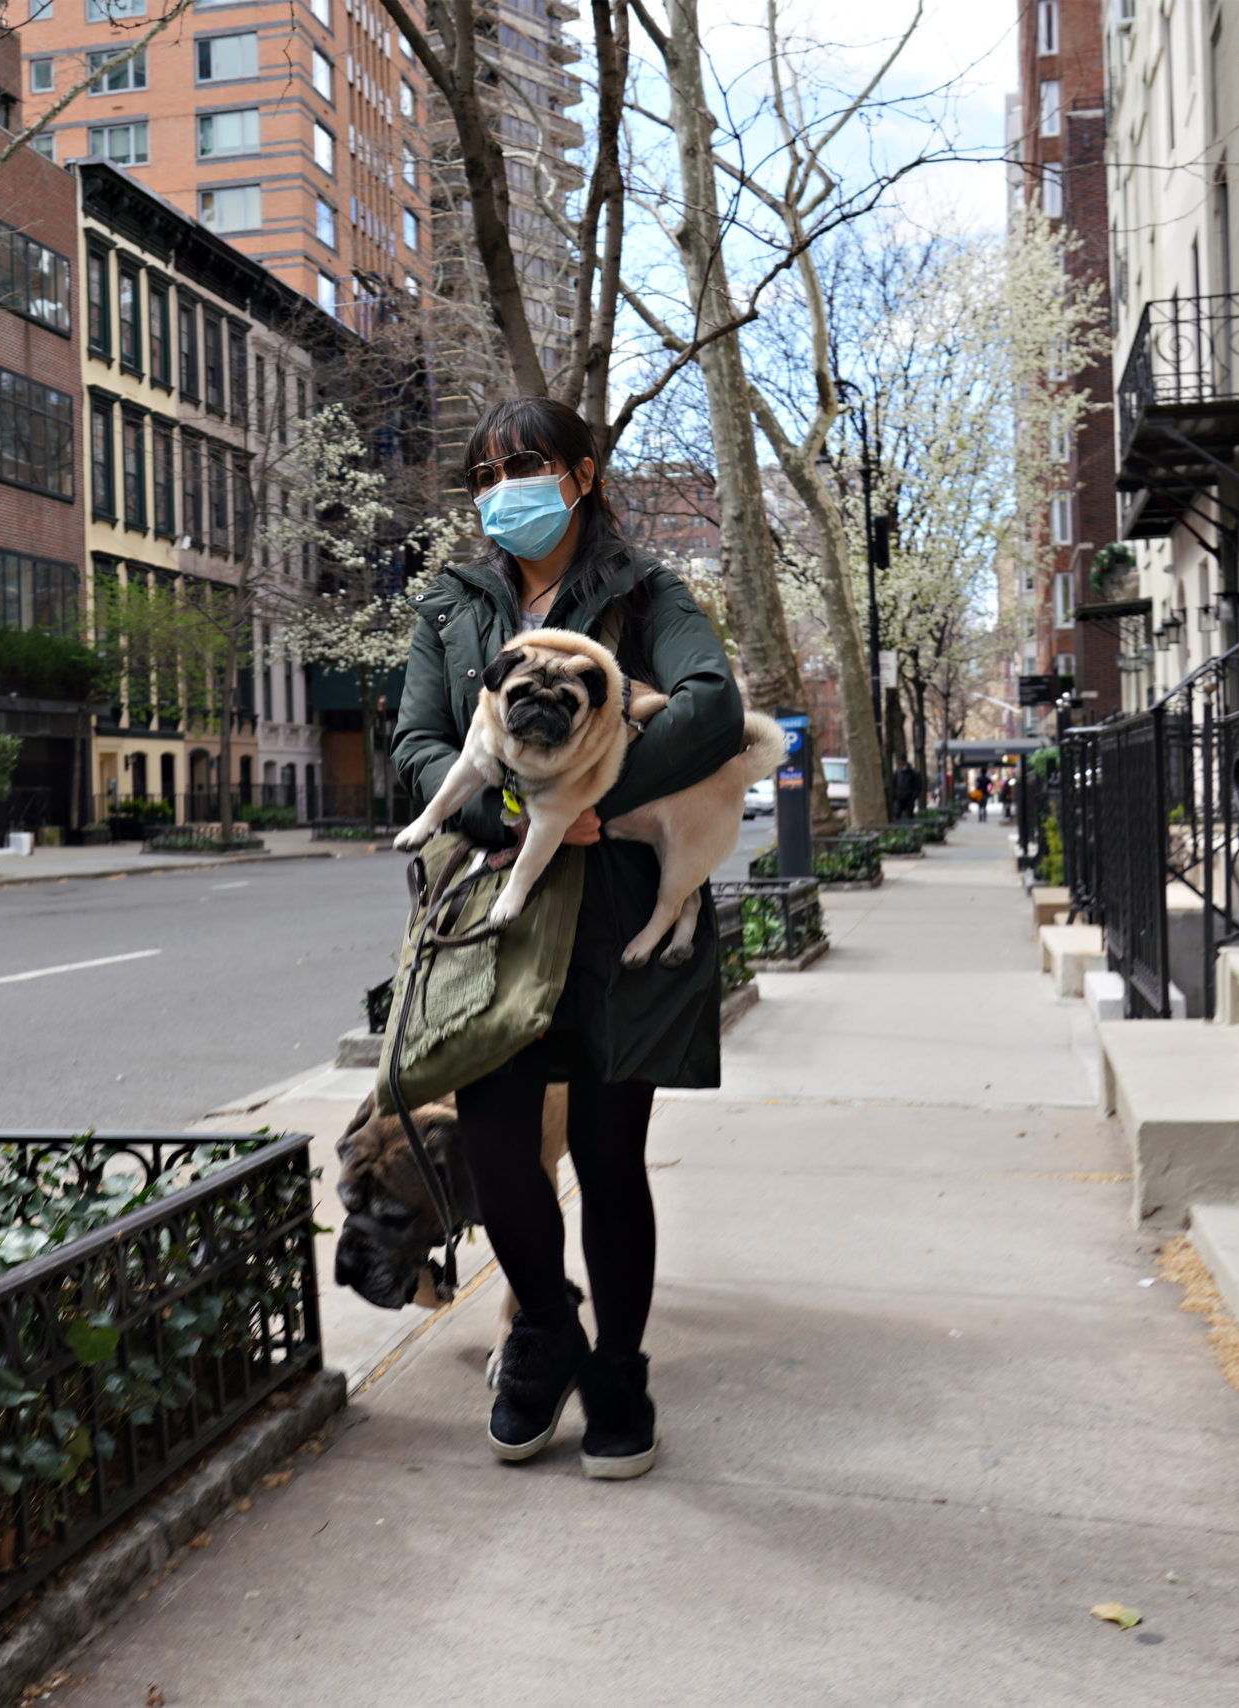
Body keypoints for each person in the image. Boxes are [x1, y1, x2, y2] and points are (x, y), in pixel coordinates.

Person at [392, 396, 743, 1481]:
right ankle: (546, 1333)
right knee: (499, 1148)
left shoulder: (648, 592)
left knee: (607, 1152)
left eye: (526, 466)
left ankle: (620, 1376)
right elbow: (417, 743)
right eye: (486, 475)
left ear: (582, 475)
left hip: (615, 913)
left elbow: (711, 707)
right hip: (493, 913)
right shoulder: (452, 606)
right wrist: (508, 813)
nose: (505, 490)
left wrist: (589, 792)